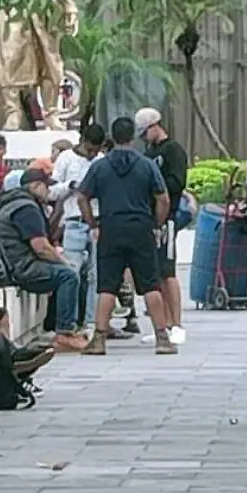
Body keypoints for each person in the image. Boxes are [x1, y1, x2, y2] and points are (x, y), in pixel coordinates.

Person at [77, 115, 172, 356]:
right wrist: (156, 224)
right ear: (132, 137)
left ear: (112, 136)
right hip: (141, 228)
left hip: (111, 228)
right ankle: (162, 338)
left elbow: (82, 197)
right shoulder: (146, 165)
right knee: (150, 284)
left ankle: (99, 340)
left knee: (107, 286)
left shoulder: (100, 166)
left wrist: (92, 223)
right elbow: (163, 199)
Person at [0, 167, 85, 351]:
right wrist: (64, 262)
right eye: (46, 187)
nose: (49, 192)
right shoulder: (26, 208)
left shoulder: (15, 203)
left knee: (67, 271)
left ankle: (63, 327)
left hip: (14, 263)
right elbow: (41, 248)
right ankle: (65, 332)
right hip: (21, 267)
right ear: (35, 186)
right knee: (69, 275)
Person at [134, 107, 189, 345]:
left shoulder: (173, 151)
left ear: (155, 126)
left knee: (168, 271)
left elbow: (177, 182)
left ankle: (176, 323)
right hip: (151, 216)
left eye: (146, 132)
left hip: (167, 217)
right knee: (156, 271)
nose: (145, 137)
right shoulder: (148, 153)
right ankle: (164, 323)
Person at [50, 122, 105, 321]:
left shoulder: (101, 161)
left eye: (95, 151)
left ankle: (92, 321)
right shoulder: (66, 159)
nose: (91, 154)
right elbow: (52, 191)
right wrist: (70, 186)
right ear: (82, 141)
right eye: (89, 149)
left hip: (97, 221)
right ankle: (68, 322)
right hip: (73, 221)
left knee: (96, 276)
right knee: (72, 273)